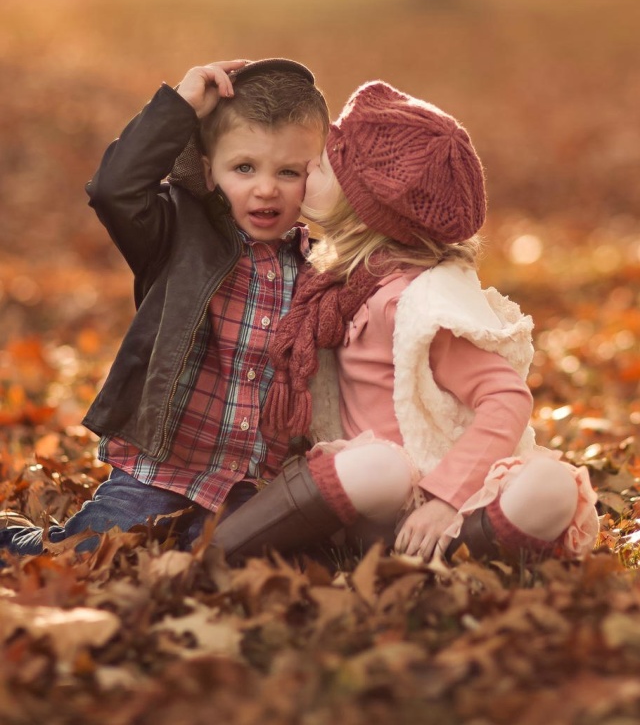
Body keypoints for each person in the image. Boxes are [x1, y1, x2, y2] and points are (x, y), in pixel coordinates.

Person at [211, 80, 599, 565]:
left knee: (550, 486)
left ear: (363, 207)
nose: (310, 165)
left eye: (325, 164)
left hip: (444, 490)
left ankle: (445, 552)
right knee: (380, 468)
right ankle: (219, 552)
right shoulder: (336, 283)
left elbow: (505, 398)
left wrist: (443, 500)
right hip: (371, 493)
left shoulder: (416, 303)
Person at [0, 58, 330, 557]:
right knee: (82, 555)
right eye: (244, 167)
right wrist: (178, 108)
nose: (266, 188)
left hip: (245, 485)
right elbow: (114, 191)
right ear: (208, 169)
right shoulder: (177, 233)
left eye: (289, 171)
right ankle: (15, 539)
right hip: (158, 471)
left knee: (235, 559)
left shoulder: (319, 270)